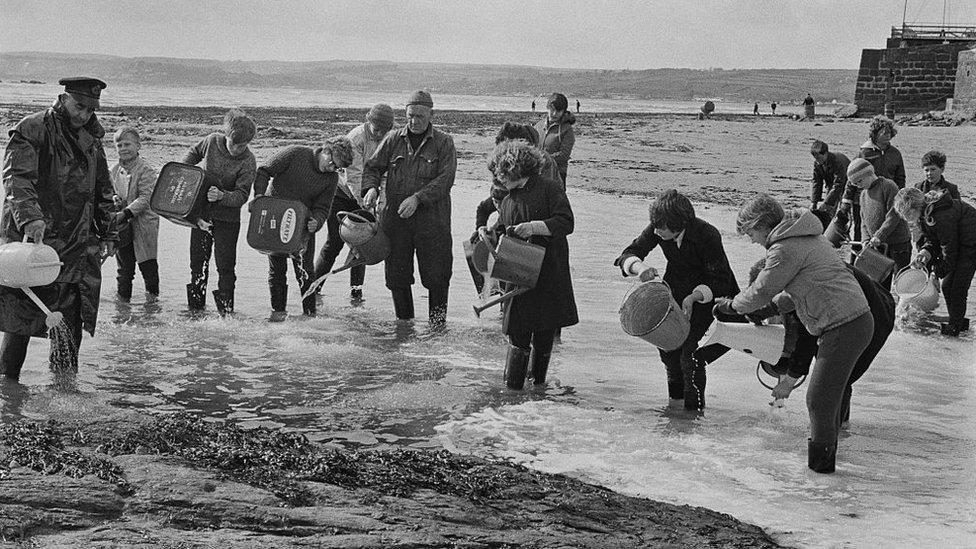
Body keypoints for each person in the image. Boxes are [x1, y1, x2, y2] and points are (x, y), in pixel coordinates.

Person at [716, 195, 874, 473]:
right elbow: (800, 288)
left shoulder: (784, 248)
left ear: (761, 225)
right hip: (856, 320)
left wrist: (731, 306)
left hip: (843, 325)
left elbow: (761, 289)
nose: (752, 240)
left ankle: (821, 474)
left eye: (750, 233)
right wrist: (769, 310)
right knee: (830, 398)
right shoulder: (806, 234)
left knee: (818, 400)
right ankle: (830, 472)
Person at [0, 77, 118, 378]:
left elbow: (104, 189)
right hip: (35, 245)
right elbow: (16, 179)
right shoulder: (33, 128)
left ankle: (64, 390)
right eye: (80, 106)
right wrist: (30, 217)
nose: (85, 115)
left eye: (91, 110)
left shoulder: (93, 138)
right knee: (20, 322)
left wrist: (109, 233)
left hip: (77, 246)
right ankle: (8, 394)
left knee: (69, 325)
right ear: (63, 99)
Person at [754, 208, 895, 429]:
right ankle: (841, 431)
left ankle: (836, 432)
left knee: (839, 379)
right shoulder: (791, 269)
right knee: (836, 380)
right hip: (843, 311)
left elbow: (805, 341)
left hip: (876, 312)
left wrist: (789, 382)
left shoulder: (798, 285)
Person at [614, 190, 739, 411]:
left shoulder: (707, 234)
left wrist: (693, 298)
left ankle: (694, 412)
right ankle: (675, 408)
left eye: (660, 228)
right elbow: (628, 254)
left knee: (689, 354)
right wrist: (640, 268)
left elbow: (720, 281)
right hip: (676, 290)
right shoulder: (658, 227)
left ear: (678, 224)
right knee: (668, 349)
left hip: (711, 295)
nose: (655, 231)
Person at [361, 91, 456, 324]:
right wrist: (371, 189)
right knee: (397, 277)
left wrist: (418, 198)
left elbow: (446, 180)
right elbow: (372, 168)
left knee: (437, 277)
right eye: (410, 116)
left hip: (433, 221)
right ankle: (404, 328)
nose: (414, 121)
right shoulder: (393, 139)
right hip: (396, 220)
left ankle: (437, 329)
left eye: (420, 116)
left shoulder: (444, 142)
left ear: (431, 115)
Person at [489, 141, 578, 389]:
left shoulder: (550, 188)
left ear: (515, 168)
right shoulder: (508, 199)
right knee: (517, 333)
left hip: (549, 272)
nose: (497, 178)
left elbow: (566, 222)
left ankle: (538, 386)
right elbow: (503, 230)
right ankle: (513, 390)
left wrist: (533, 227)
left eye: (500, 172)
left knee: (543, 333)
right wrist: (489, 232)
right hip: (517, 275)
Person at [254, 137, 354, 321]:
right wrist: (259, 197)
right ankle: (278, 313)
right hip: (275, 216)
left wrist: (317, 221)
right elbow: (264, 171)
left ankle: (309, 316)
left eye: (337, 168)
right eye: (331, 163)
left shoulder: (331, 178)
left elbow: (323, 208)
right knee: (277, 268)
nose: (331, 169)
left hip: (302, 225)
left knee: (306, 271)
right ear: (325, 150)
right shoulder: (296, 153)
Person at [314, 104, 395, 302]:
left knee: (361, 245)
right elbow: (354, 176)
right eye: (376, 129)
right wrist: (367, 208)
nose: (379, 133)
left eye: (384, 130)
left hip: (370, 195)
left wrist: (380, 205)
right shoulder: (356, 137)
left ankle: (356, 295)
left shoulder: (391, 139)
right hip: (342, 194)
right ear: (368, 121)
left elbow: (386, 175)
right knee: (334, 243)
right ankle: (313, 288)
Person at [182, 108, 257, 315]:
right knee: (198, 264)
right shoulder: (212, 141)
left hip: (228, 220)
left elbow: (242, 196)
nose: (237, 149)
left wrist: (223, 196)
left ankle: (226, 314)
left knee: (225, 268)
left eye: (242, 145)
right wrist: (184, 171)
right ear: (226, 135)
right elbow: (194, 153)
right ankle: (195, 312)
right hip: (201, 215)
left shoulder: (248, 161)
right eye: (234, 143)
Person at [893, 187, 976, 336]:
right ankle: (957, 321)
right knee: (948, 286)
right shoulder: (927, 213)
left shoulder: (940, 215)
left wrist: (935, 273)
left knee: (957, 287)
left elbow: (949, 251)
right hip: (959, 245)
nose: (907, 220)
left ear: (914, 208)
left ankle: (954, 328)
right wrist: (925, 252)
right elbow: (934, 240)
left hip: (970, 245)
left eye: (907, 215)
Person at [109, 126, 159, 303]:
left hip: (143, 223)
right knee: (124, 270)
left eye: (127, 144)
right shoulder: (114, 170)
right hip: (123, 227)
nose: (123, 148)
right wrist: (114, 198)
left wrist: (126, 212)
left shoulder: (146, 169)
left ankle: (152, 303)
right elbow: (109, 192)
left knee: (148, 267)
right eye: (119, 145)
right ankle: (122, 305)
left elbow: (146, 198)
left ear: (138, 146)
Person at [846, 158, 912, 288]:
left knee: (902, 282)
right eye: (855, 184)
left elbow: (894, 214)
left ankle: (903, 307)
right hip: (878, 248)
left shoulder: (888, 186)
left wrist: (879, 235)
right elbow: (863, 221)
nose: (858, 185)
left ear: (869, 174)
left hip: (898, 244)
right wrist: (865, 240)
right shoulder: (863, 195)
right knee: (880, 285)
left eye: (859, 181)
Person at [840, 115, 906, 242]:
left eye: (890, 133)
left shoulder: (895, 153)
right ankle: (858, 260)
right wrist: (846, 201)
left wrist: (900, 197)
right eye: (884, 133)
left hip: (888, 198)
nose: (888, 136)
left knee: (886, 230)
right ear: (875, 134)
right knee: (861, 232)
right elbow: (852, 179)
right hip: (864, 200)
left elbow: (900, 177)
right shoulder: (864, 153)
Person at [535, 93, 576, 187]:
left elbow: (564, 155)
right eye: (552, 109)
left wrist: (541, 159)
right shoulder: (539, 126)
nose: (554, 114)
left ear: (564, 111)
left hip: (557, 175)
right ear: (547, 107)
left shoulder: (567, 129)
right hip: (538, 173)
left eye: (558, 111)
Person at [809, 140, 849, 215]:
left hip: (847, 183)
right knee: (827, 211)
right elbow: (817, 182)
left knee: (844, 209)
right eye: (815, 158)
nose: (817, 161)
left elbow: (838, 184)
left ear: (826, 153)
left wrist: (827, 203)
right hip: (831, 184)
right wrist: (814, 202)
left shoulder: (837, 161)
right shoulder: (817, 163)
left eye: (819, 158)